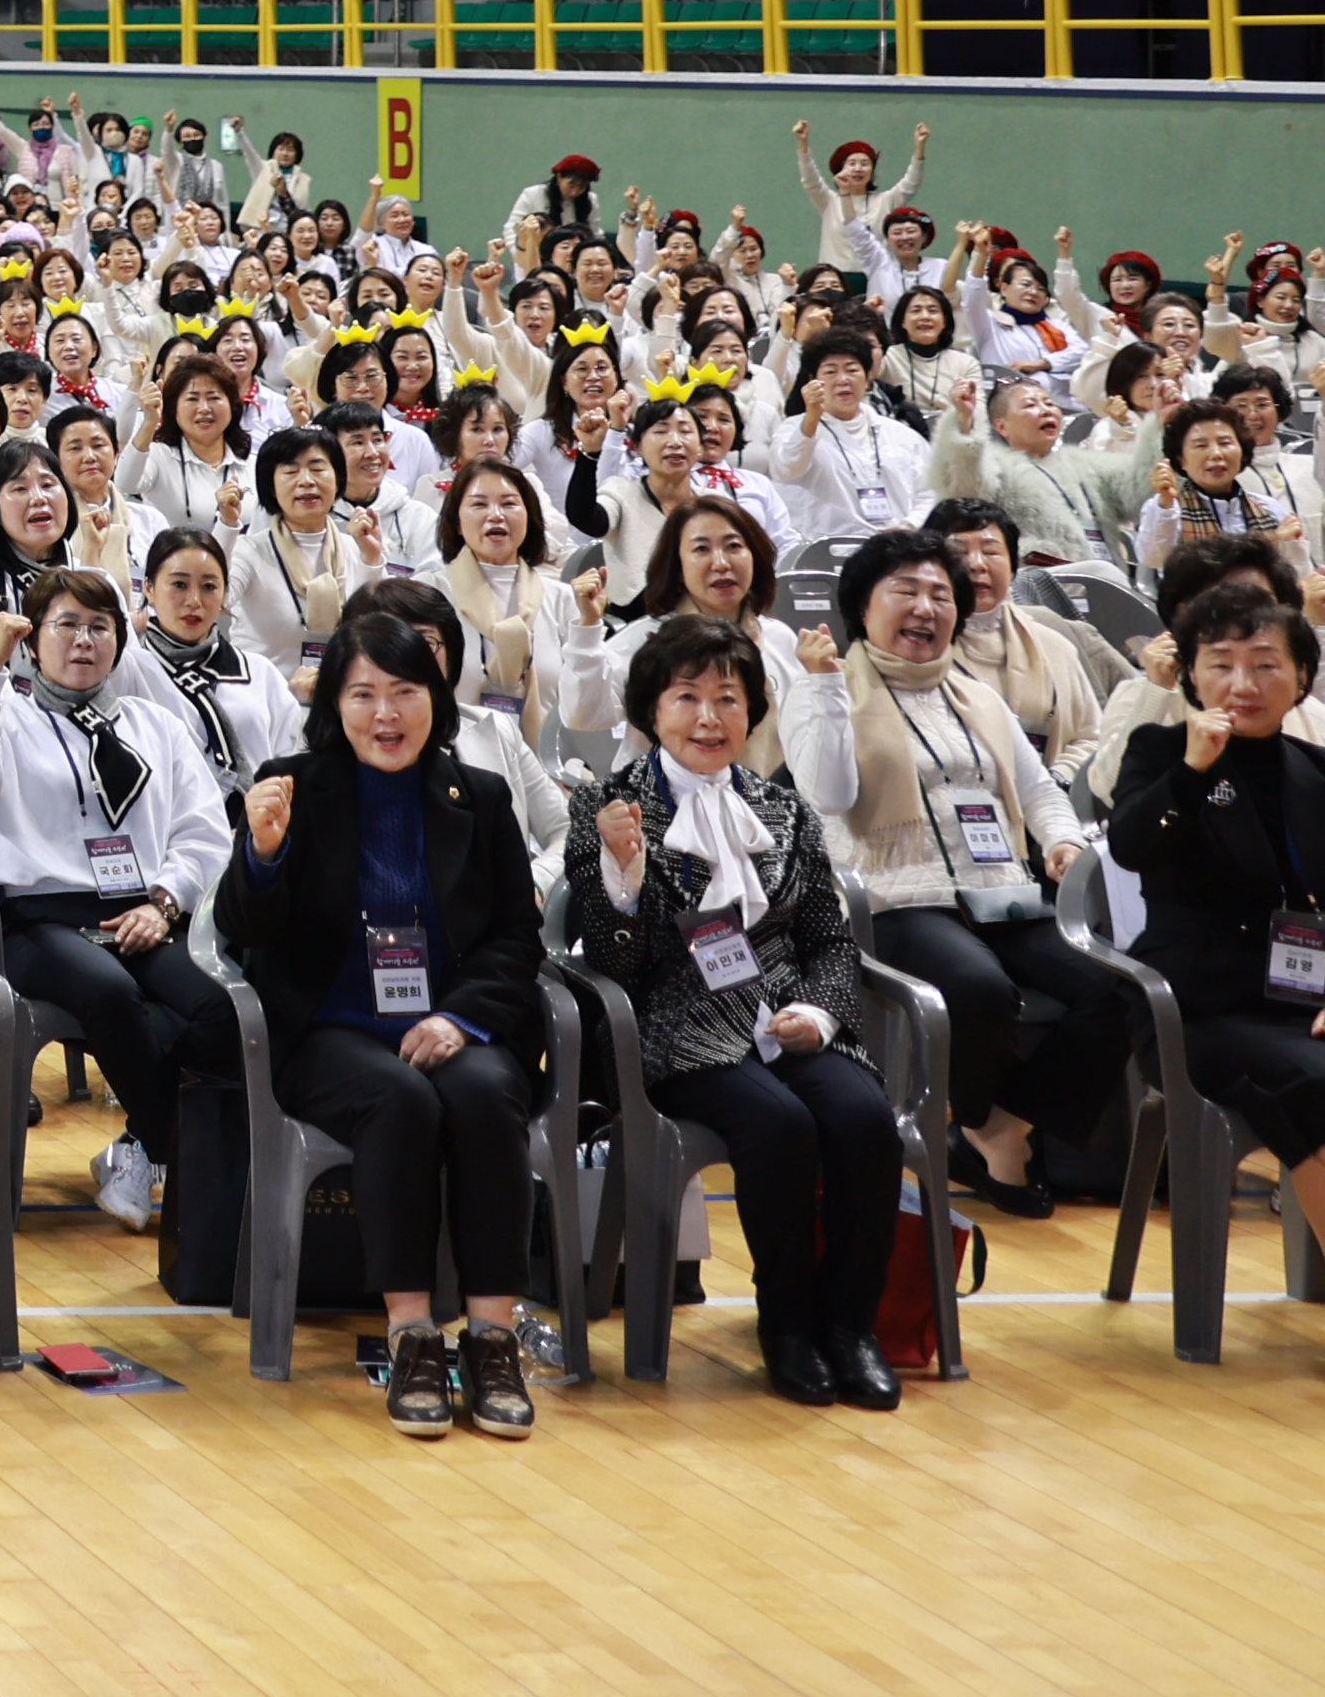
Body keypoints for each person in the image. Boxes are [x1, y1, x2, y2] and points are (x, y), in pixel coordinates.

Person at [220, 604, 555, 1438]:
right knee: (399, 1100)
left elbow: (516, 936)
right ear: (334, 702)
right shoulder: (292, 786)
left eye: (405, 691)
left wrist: (461, 1019)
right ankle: (412, 1336)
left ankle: (492, 1338)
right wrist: (263, 857)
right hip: (329, 1028)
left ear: (435, 698)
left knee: (485, 1094)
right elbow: (242, 930)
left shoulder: (478, 796)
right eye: (363, 693)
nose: (385, 714)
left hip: (452, 1024)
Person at [562, 612, 901, 1410]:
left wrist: (819, 1016)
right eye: (686, 697)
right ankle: (787, 1328)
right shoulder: (609, 806)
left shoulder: (784, 811)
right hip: (674, 1027)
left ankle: (851, 1327)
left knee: (864, 1119)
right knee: (778, 1125)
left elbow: (828, 940)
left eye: (727, 699)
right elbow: (612, 962)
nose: (708, 718)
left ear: (753, 712)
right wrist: (621, 876)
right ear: (652, 710)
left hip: (785, 1017)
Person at [788, 530, 1118, 1216]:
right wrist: (824, 688)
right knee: (978, 988)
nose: (925, 608)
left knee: (1119, 984)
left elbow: (1038, 790)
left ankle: (1004, 1122)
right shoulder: (824, 691)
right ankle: (983, 1125)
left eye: (941, 595)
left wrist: (1060, 842)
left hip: (999, 893)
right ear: (862, 606)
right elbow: (829, 794)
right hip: (896, 900)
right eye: (905, 591)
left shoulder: (977, 696)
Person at [0, 568, 235, 1234]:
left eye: (99, 627)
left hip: (143, 913)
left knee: (223, 1003)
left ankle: (138, 1144)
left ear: (119, 641)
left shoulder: (155, 725)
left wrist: (165, 902)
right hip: (40, 919)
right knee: (110, 992)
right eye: (67, 625)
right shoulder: (7, 718)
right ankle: (185, 1158)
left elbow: (203, 831)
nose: (84, 640)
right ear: (33, 641)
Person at [1102, 586, 1325, 1184]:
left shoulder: (1315, 768)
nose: (1243, 684)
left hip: (1305, 998)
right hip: (1200, 1006)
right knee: (1316, 1083)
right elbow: (1130, 846)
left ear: (1302, 678)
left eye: (1266, 665)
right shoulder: (1160, 751)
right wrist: (1193, 771)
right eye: (1221, 665)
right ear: (1192, 678)